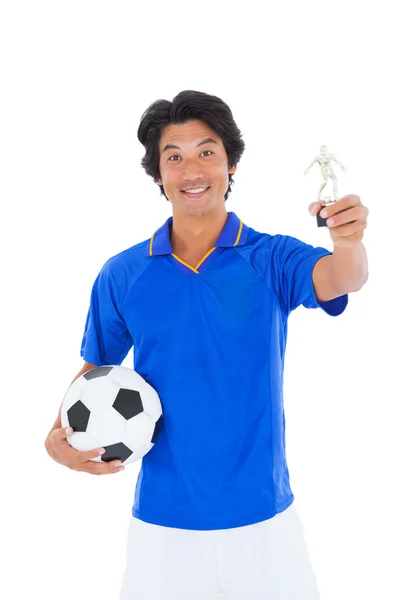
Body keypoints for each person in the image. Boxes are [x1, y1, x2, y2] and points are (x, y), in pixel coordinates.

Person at [45, 90, 369, 600]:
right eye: (174, 156)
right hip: (162, 527)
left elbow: (341, 278)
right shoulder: (123, 273)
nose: (191, 169)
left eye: (206, 151)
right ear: (158, 174)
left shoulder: (271, 257)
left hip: (265, 522)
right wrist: (58, 436)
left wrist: (348, 242)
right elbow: (95, 372)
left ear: (231, 163)